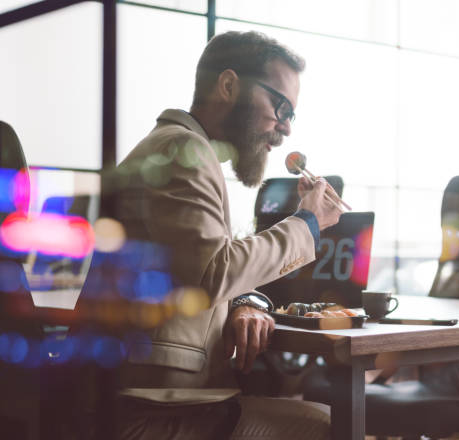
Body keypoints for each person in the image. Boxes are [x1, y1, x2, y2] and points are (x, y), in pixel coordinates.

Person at [94, 31, 342, 439]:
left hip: (155, 399)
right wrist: (307, 224)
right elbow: (214, 271)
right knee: (333, 426)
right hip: (151, 413)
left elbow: (192, 267)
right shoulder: (181, 153)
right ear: (228, 85)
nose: (284, 130)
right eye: (280, 107)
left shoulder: (177, 149)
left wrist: (245, 301)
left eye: (290, 116)